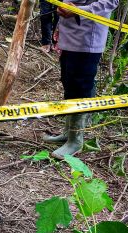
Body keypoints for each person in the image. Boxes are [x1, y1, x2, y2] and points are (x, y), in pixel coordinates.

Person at [43, 0, 119, 159]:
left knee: (80, 88)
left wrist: (81, 10)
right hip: (68, 34)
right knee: (68, 82)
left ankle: (76, 141)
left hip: (87, 38)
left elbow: (111, 2)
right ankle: (68, 133)